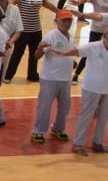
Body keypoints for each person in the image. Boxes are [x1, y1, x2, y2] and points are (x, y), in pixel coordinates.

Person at [52, 27, 108, 155]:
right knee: (85, 116)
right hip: (91, 88)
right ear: (104, 37)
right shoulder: (93, 47)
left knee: (103, 118)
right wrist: (63, 53)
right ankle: (78, 144)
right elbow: (77, 51)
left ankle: (97, 143)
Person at [30, 9, 77, 144]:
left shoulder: (71, 36)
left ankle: (58, 128)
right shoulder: (50, 36)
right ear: (57, 20)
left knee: (65, 106)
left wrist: (72, 62)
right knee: (44, 106)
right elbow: (37, 56)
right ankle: (38, 130)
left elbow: (68, 53)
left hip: (66, 78)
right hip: (50, 78)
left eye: (69, 20)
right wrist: (39, 48)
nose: (66, 23)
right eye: (64, 20)